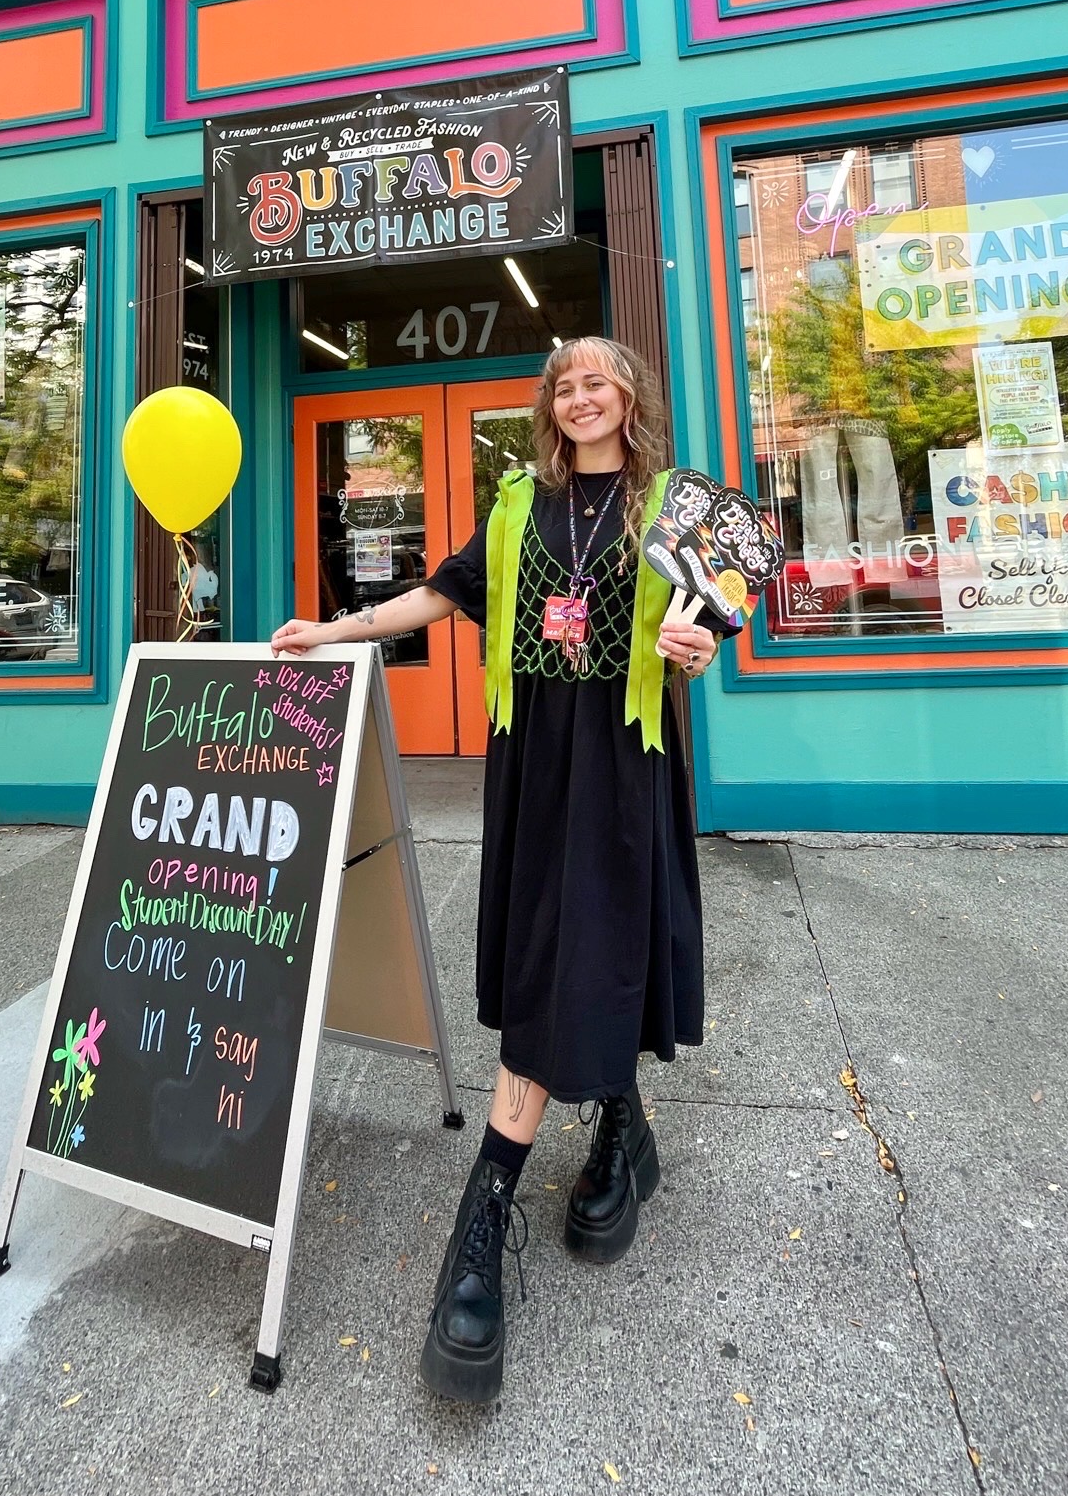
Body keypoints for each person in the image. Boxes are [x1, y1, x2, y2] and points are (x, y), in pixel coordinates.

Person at [270, 337, 720, 1403]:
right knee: (547, 954)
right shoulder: (521, 505)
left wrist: (698, 649)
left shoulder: (674, 508)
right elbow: (438, 595)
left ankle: (495, 1211)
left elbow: (707, 622)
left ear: (629, 399)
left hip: (624, 761)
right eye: (563, 384)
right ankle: (619, 1126)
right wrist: (334, 630)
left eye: (597, 379)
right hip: (533, 765)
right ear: (549, 409)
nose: (579, 394)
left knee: (600, 952)